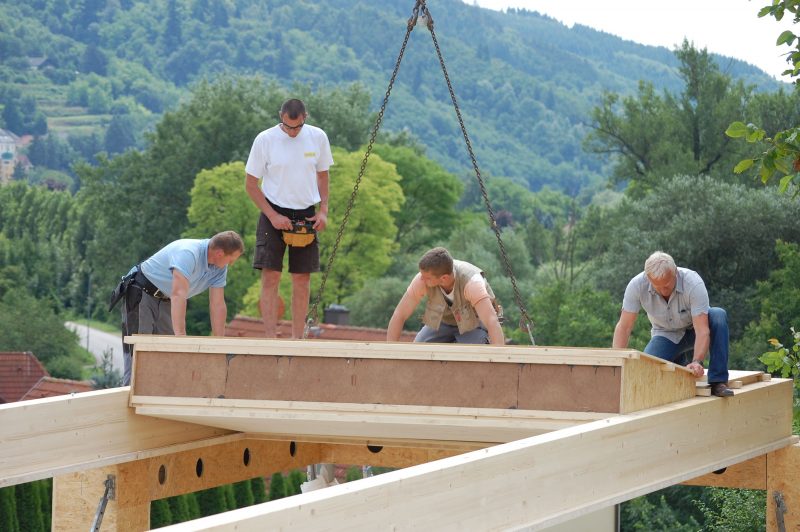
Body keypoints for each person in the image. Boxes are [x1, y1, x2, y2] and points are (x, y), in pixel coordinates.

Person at [245, 98, 334, 338]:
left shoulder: (318, 137)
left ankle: (297, 337)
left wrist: (323, 210)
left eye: (297, 127)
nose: (292, 131)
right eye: (287, 126)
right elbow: (251, 185)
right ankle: (270, 335)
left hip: (306, 212)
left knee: (302, 278)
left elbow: (323, 176)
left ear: (305, 117)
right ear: (280, 117)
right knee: (270, 275)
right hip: (273, 210)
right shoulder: (265, 139)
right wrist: (273, 215)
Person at [113, 231, 244, 385]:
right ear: (220, 253)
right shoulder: (188, 253)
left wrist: (219, 342)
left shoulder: (219, 268)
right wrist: (181, 336)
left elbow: (217, 304)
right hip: (142, 292)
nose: (231, 263)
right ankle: (128, 394)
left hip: (166, 299)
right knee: (139, 353)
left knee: (168, 354)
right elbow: (179, 294)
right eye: (232, 259)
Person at [612, 251, 733, 397]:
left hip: (696, 329)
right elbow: (624, 327)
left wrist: (697, 362)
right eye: (657, 286)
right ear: (648, 278)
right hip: (665, 334)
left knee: (718, 315)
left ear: (675, 272)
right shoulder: (636, 285)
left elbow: (702, 331)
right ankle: (680, 361)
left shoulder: (693, 282)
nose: (663, 290)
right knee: (646, 370)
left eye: (667, 285)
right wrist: (616, 363)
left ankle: (718, 381)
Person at [387, 247, 504, 345]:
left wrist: (499, 359)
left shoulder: (471, 282)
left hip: (474, 323)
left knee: (475, 354)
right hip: (444, 322)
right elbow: (399, 314)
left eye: (427, 278)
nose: (422, 279)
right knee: (419, 347)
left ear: (444, 278)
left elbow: (491, 320)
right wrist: (389, 354)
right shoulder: (422, 279)